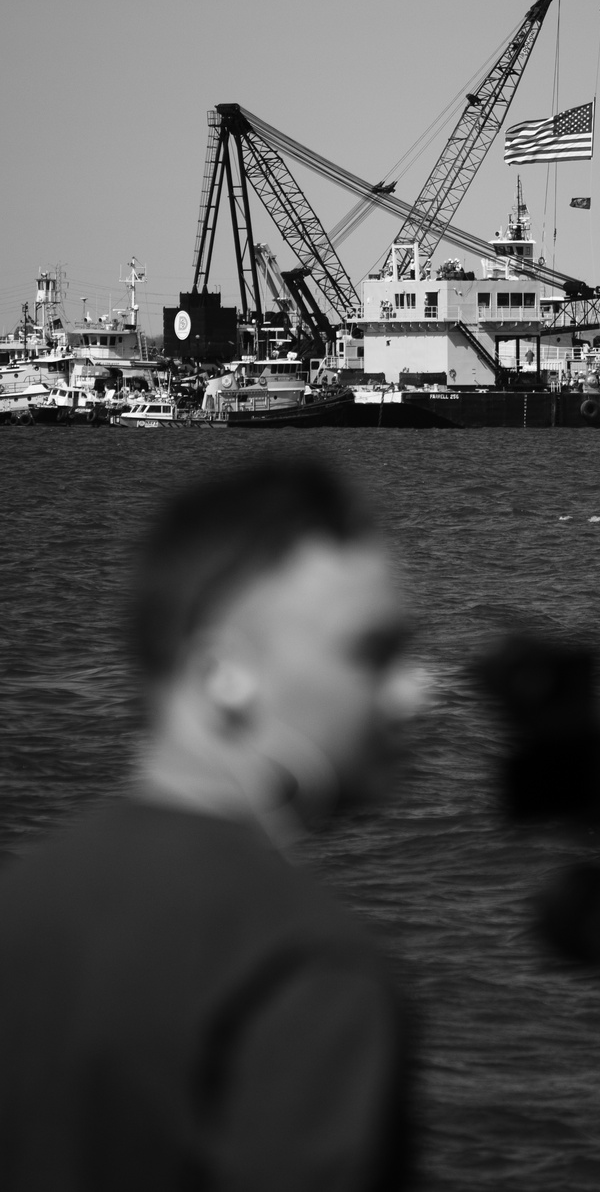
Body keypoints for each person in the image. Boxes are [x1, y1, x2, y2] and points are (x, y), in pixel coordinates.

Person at [0, 458, 419, 1191]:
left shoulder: (24, 905)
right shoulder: (305, 967)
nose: (417, 691)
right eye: (372, 653)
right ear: (224, 671)